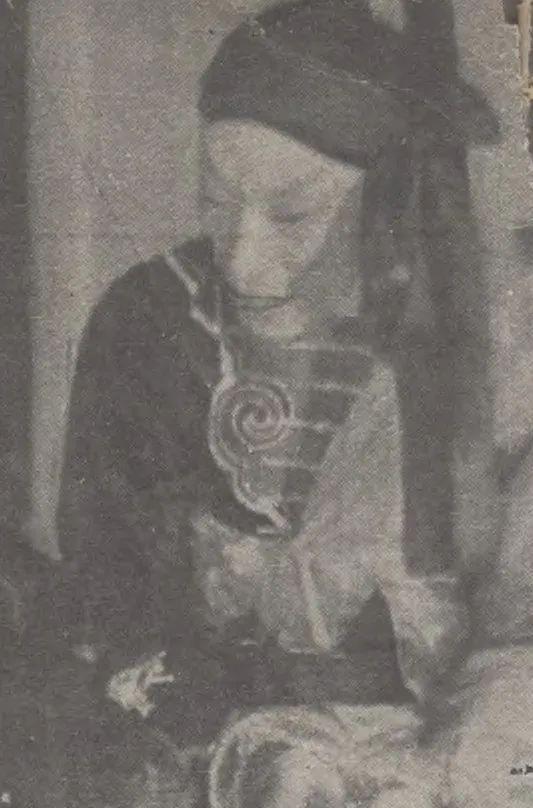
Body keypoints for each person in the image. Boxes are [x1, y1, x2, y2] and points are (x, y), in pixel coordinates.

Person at [57, 0, 500, 800]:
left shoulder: (465, 343)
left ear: (387, 206)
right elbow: (110, 589)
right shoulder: (150, 323)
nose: (243, 260)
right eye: (215, 203)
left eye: (292, 215)